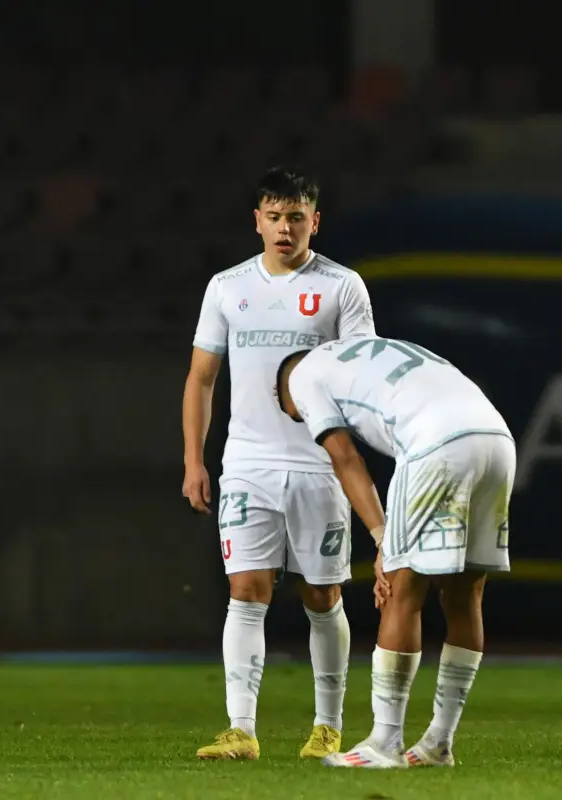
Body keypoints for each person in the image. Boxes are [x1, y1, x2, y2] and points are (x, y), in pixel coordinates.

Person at [182, 166, 376, 760]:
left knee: (322, 597)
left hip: (320, 466)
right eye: (274, 216)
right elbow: (201, 377)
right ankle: (241, 729)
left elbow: (363, 373)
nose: (284, 227)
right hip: (247, 463)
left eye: (296, 216)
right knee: (247, 590)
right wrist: (195, 459)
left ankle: (327, 726)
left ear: (314, 221)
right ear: (257, 221)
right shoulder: (227, 287)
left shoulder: (344, 288)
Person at [275, 335, 515, 768]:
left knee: (404, 590)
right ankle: (439, 742)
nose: (302, 423)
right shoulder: (370, 351)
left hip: (435, 444)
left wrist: (383, 538)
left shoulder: (304, 376)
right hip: (497, 439)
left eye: (295, 418)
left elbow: (346, 459)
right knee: (464, 595)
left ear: (283, 392)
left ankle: (385, 742)